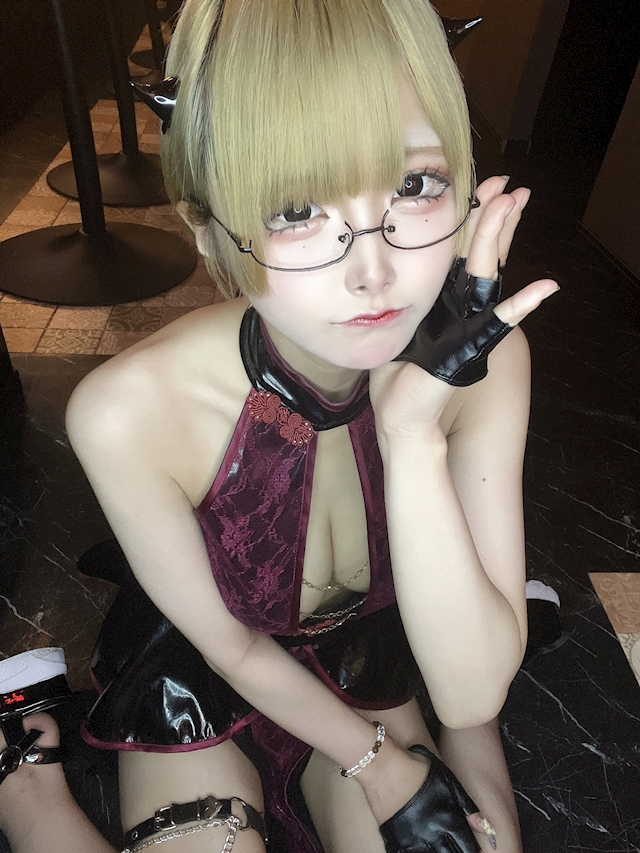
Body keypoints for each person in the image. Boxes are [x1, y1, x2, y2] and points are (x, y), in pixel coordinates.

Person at [0, 1, 559, 851]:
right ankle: (26, 781)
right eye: (296, 207)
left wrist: (414, 435)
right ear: (207, 225)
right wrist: (386, 768)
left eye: (415, 186)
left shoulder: (488, 365)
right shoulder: (127, 409)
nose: (374, 272)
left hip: (365, 655)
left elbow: (471, 697)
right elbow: (230, 647)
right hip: (201, 664)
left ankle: (495, 609)